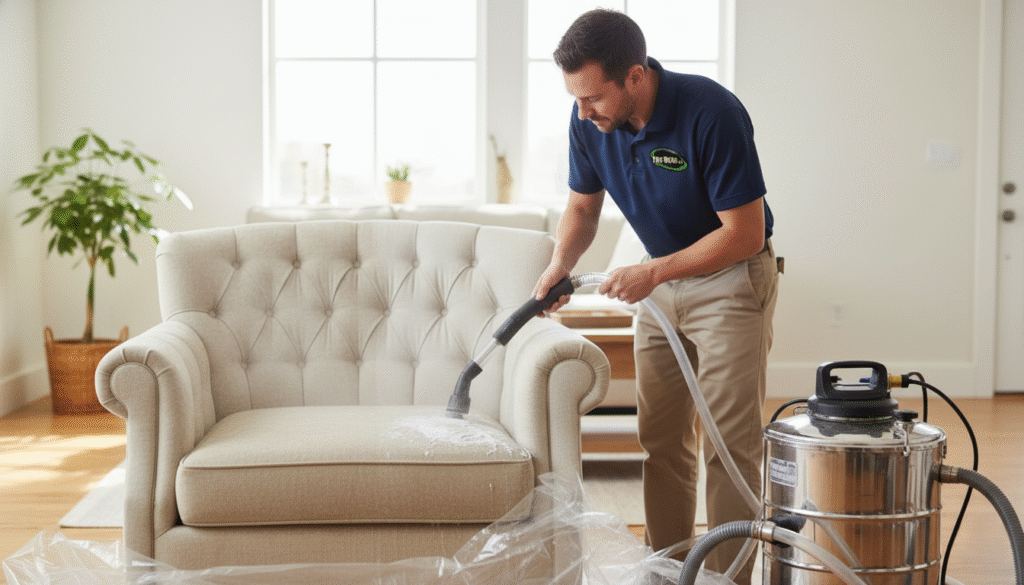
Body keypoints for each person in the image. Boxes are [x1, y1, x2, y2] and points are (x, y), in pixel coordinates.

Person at [532, 9, 779, 583]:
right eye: (576, 98)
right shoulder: (589, 122)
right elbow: (582, 208)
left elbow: (746, 233)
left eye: (594, 96)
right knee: (661, 439)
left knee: (726, 444)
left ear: (636, 77)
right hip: (661, 285)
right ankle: (669, 571)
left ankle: (726, 577)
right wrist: (558, 266)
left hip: (729, 281)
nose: (584, 110)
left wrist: (656, 273)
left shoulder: (710, 112)